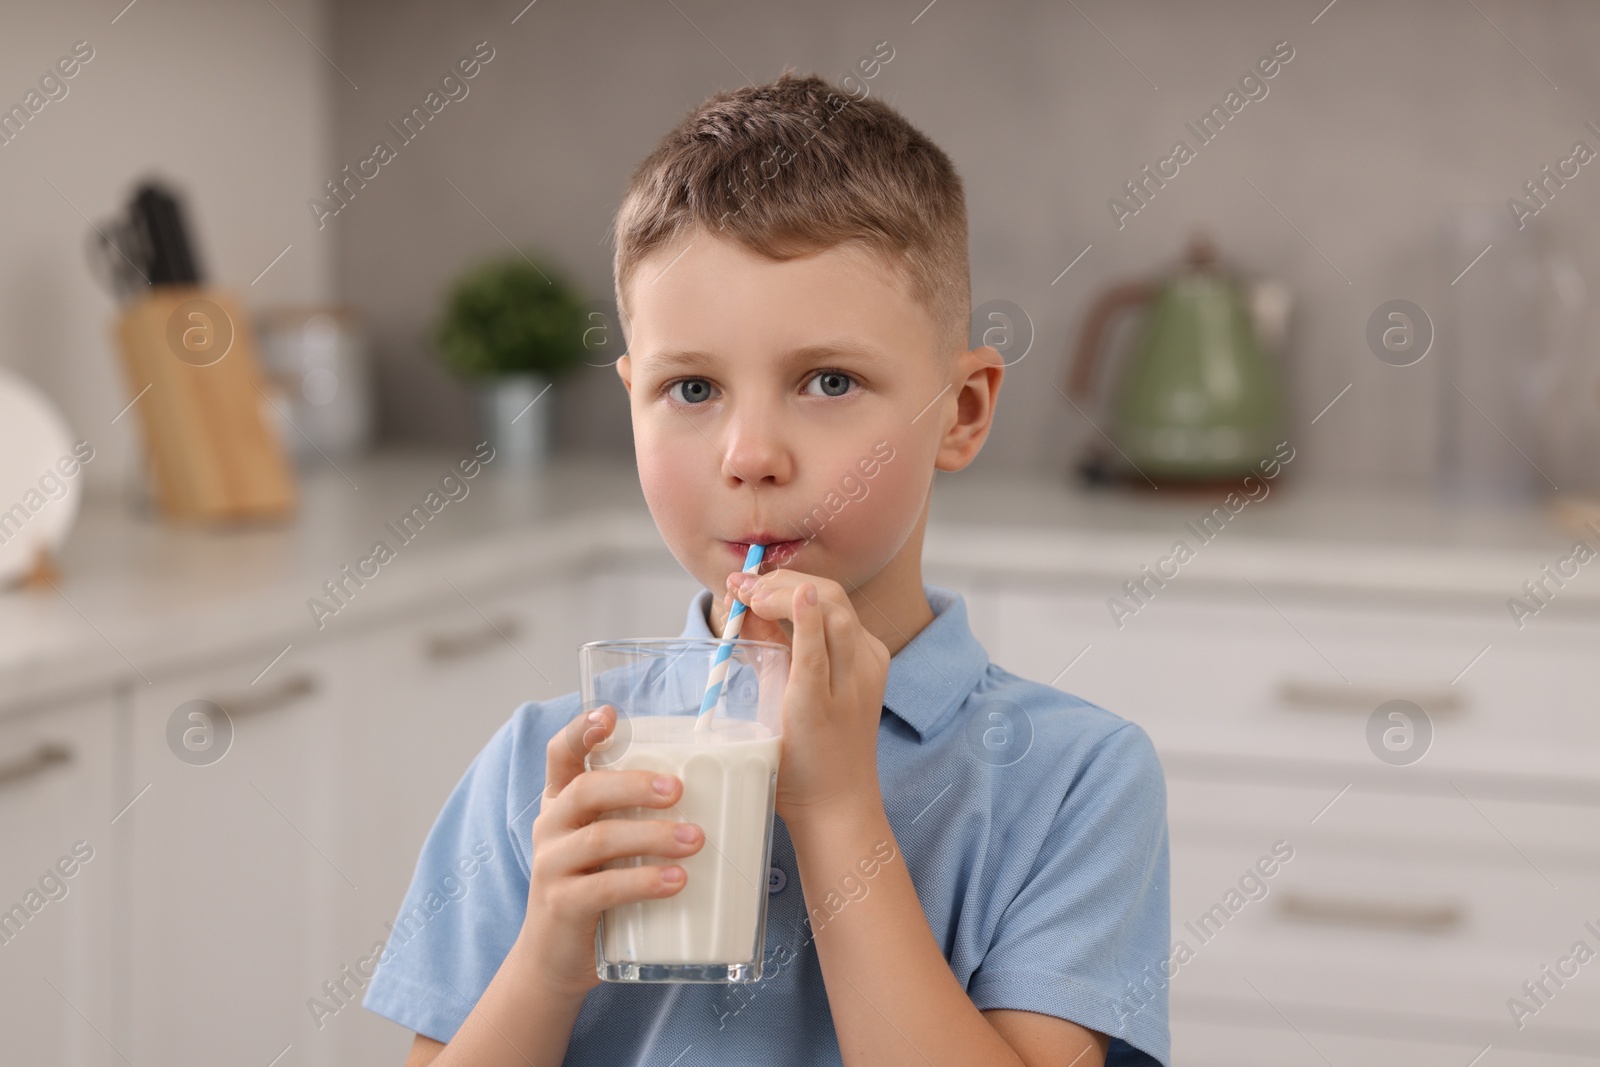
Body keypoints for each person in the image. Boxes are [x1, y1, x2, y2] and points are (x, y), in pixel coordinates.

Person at [363, 69, 1170, 1067]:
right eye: (690, 386)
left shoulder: (1074, 781)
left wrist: (834, 809)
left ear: (959, 411)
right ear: (631, 402)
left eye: (827, 381)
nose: (749, 452)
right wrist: (545, 961)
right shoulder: (546, 770)